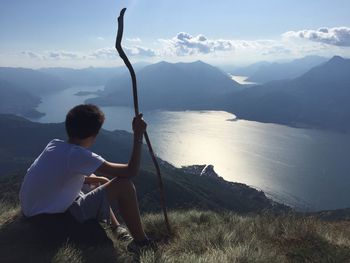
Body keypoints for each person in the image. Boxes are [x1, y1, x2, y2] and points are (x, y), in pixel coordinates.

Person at [19, 104, 152, 253]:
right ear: (94, 135)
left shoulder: (54, 145)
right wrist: (138, 135)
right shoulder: (78, 155)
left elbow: (64, 176)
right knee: (124, 185)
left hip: (32, 214)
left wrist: (101, 181)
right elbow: (130, 171)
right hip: (52, 224)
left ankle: (116, 228)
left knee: (93, 177)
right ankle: (141, 243)